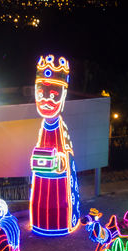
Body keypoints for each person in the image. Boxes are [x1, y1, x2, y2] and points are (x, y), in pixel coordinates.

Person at [29, 55, 80, 236]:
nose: (46, 101)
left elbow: (68, 155)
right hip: (42, 184)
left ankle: (60, 225)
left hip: (58, 187)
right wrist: (37, 161)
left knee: (56, 207)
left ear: (63, 96)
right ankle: (39, 223)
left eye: (53, 96)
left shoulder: (61, 127)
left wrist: (60, 161)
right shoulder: (43, 127)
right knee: (40, 199)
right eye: (41, 94)